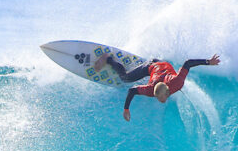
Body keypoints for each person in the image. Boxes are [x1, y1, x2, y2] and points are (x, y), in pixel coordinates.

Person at [93, 52, 221, 121]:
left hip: (162, 66)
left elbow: (188, 63)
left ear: (167, 93)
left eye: (160, 98)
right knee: (125, 78)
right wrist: (126, 109)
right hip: (151, 66)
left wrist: (208, 62)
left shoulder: (177, 81)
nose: (160, 100)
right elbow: (132, 90)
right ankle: (108, 59)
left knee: (131, 77)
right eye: (158, 98)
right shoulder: (150, 90)